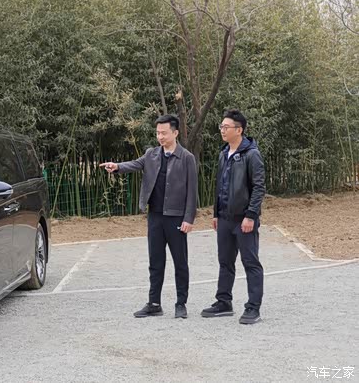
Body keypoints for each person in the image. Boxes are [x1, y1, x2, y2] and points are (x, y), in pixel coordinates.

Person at [100, 115, 198, 319]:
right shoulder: (151, 154)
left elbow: (192, 191)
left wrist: (189, 219)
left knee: (180, 262)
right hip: (155, 216)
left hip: (176, 217)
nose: (160, 137)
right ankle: (154, 303)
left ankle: (181, 303)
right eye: (158, 133)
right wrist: (117, 167)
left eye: (164, 133)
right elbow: (135, 164)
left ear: (175, 133)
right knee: (155, 262)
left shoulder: (186, 157)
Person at [201, 109, 266, 325]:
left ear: (239, 130)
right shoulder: (224, 153)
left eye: (226, 127)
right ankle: (223, 302)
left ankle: (253, 307)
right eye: (221, 126)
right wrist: (216, 213)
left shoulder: (251, 154)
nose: (222, 130)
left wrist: (251, 215)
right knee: (225, 262)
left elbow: (258, 187)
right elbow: (220, 186)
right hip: (224, 218)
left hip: (244, 219)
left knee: (250, 262)